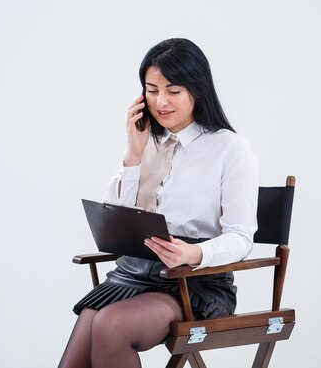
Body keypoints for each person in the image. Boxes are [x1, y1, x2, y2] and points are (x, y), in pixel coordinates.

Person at [58, 38, 259, 368]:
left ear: (197, 89)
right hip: (134, 274)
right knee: (89, 327)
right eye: (151, 90)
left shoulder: (230, 149)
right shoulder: (146, 139)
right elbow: (115, 219)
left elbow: (241, 237)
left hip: (193, 282)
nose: (161, 101)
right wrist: (133, 156)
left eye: (173, 90)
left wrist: (194, 253)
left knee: (110, 325)